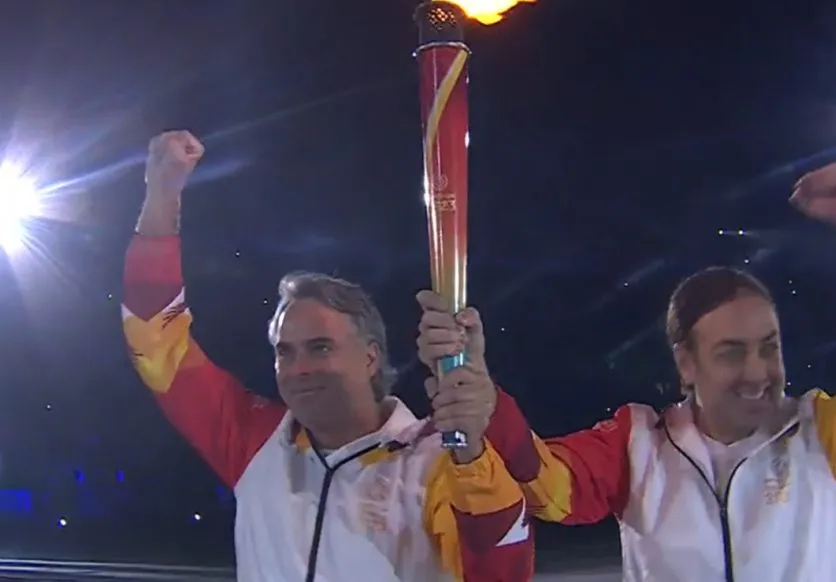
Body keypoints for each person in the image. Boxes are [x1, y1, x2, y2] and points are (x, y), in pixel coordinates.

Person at [416, 158, 836, 582]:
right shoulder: (638, 448)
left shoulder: (834, 438)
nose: (759, 370)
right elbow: (545, 484)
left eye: (769, 346)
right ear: (685, 361)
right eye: (731, 351)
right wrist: (487, 402)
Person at [121, 130, 533, 582]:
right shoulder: (251, 440)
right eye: (285, 352)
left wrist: (470, 450)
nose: (299, 369)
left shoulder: (437, 463)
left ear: (371, 356)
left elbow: (502, 574)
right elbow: (155, 336)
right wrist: (162, 195)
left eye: (320, 347)